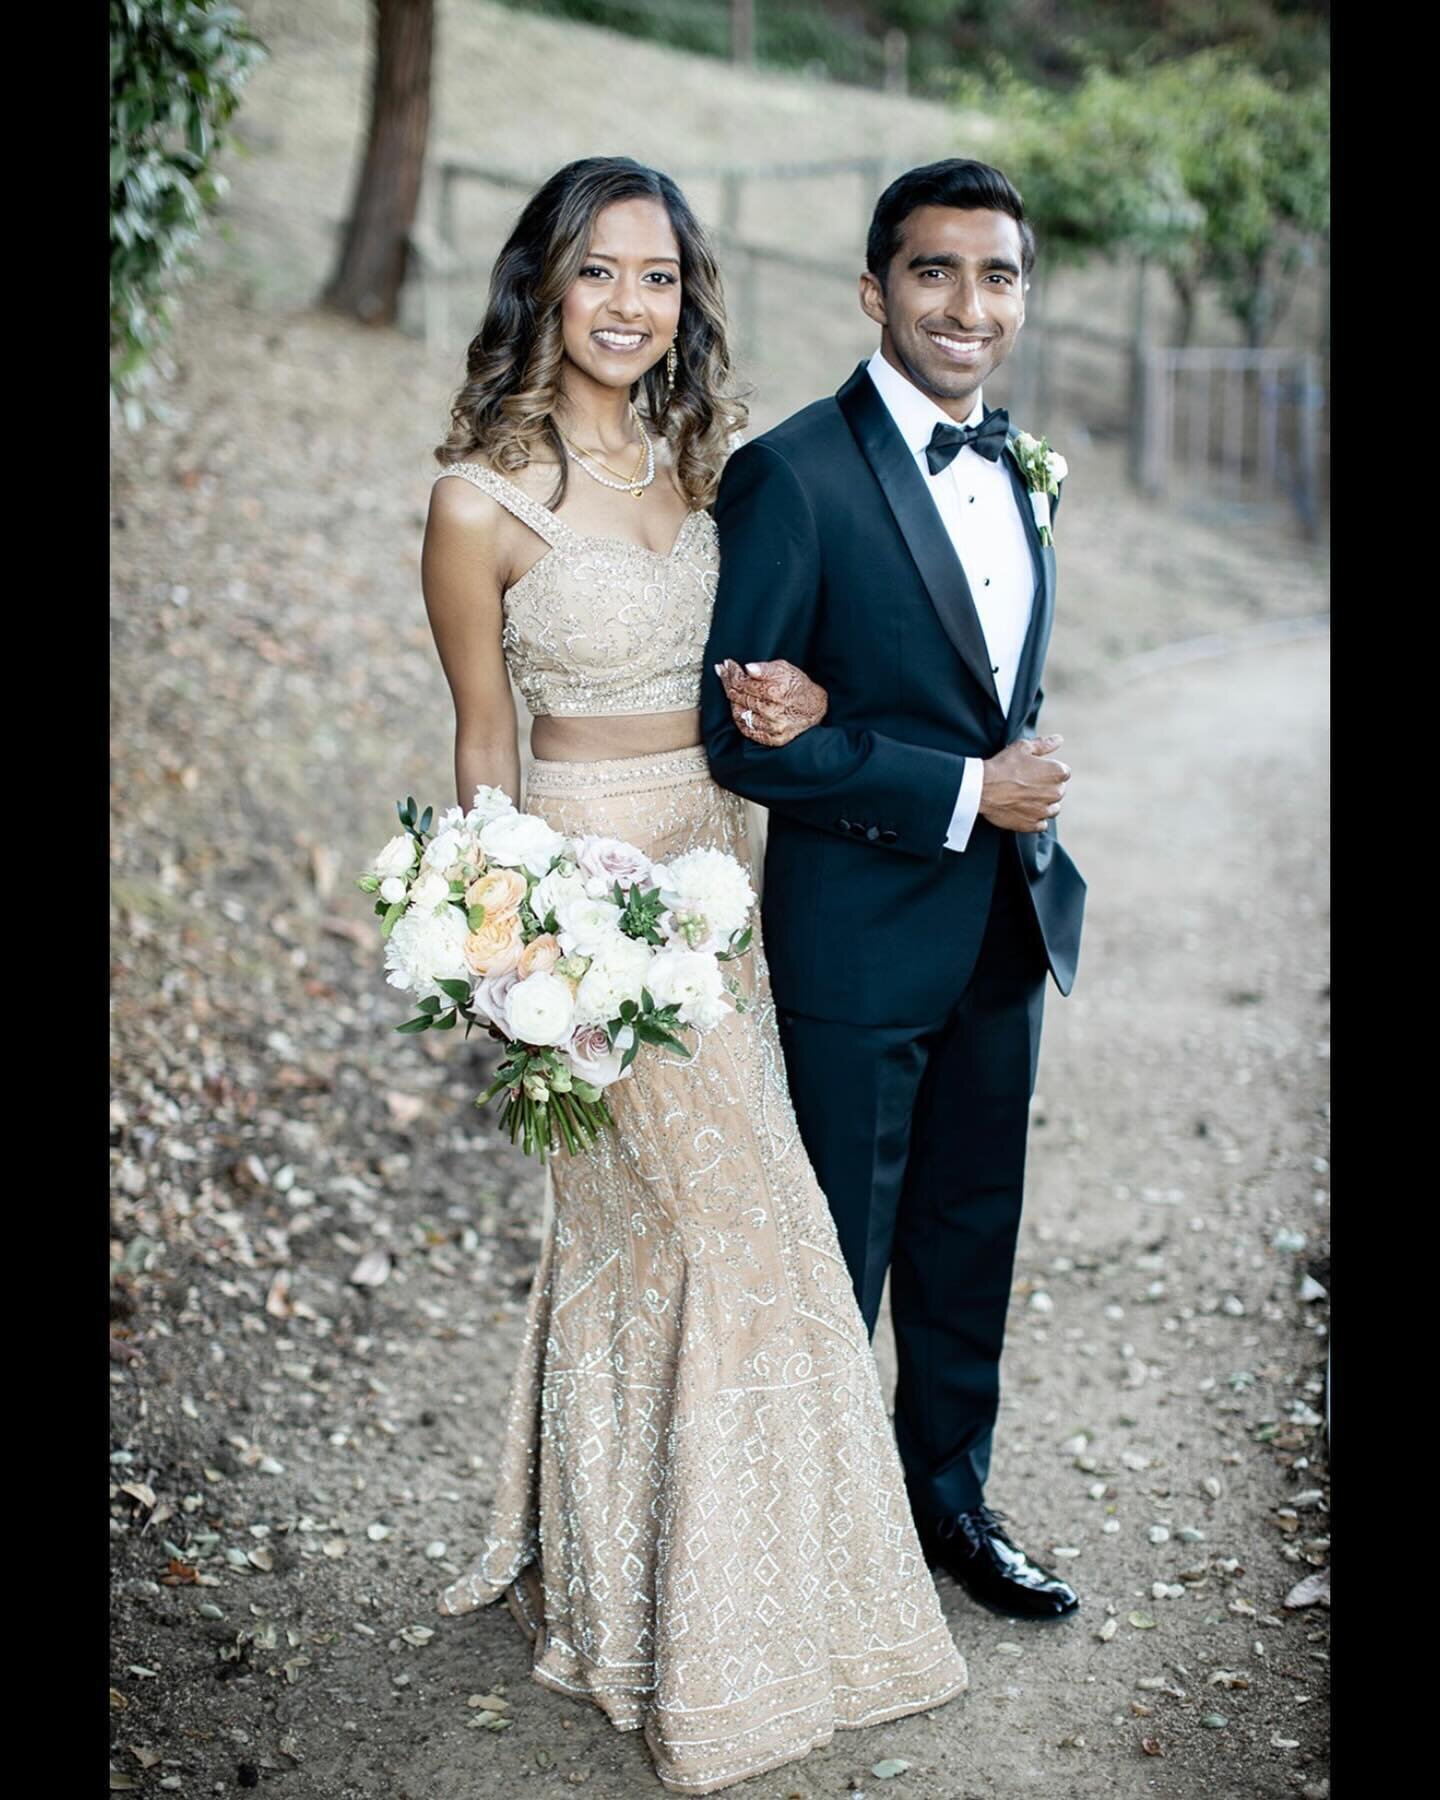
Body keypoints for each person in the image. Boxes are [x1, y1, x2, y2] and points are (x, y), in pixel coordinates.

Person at [421, 156, 967, 1797]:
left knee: (686, 1237)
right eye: (600, 272)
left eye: (658, 276)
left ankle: (705, 1595)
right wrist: (511, 953)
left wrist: (795, 708)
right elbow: (479, 738)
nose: (629, 304)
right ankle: (702, 1638)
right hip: (590, 892)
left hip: (726, 868)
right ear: (547, 283)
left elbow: (758, 671)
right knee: (730, 1229)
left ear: (684, 299)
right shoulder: (477, 498)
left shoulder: (706, 463)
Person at [703, 158, 1086, 1624]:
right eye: (934, 272)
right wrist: (961, 791)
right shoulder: (793, 472)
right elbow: (736, 734)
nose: (967, 304)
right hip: (855, 942)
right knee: (831, 1266)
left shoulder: (1020, 462)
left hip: (1002, 927)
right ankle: (791, 1566)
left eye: (997, 276)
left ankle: (951, 1513)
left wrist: (1011, 797)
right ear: (875, 290)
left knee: (966, 1240)